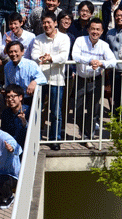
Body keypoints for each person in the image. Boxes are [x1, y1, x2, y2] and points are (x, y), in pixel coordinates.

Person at [71, 18, 117, 148]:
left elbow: (113, 61)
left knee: (93, 110)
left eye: (98, 29)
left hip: (95, 80)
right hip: (81, 79)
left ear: (102, 31)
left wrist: (101, 63)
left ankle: (87, 136)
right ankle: (83, 130)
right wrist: (90, 61)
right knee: (78, 109)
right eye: (93, 29)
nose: (95, 32)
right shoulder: (80, 40)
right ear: (88, 30)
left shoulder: (104, 45)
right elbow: (75, 56)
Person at [32, 12, 71, 150]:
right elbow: (34, 55)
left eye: (49, 22)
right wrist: (46, 58)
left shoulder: (64, 38)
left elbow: (63, 57)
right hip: (41, 80)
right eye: (44, 23)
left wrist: (50, 59)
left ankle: (55, 139)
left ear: (55, 23)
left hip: (57, 80)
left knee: (56, 112)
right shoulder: (38, 38)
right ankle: (35, 137)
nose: (46, 25)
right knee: (37, 109)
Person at [105, 7, 122, 113]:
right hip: (113, 70)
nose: (119, 18)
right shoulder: (110, 33)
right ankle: (117, 123)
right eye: (117, 15)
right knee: (115, 98)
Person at [4, 41, 47, 106]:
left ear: (22, 52)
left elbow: (43, 79)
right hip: (14, 100)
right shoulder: (7, 66)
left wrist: (34, 82)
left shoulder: (31, 64)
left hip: (30, 98)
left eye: (16, 51)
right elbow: (8, 85)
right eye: (11, 52)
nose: (13, 54)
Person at [0, 84, 30, 150]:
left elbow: (32, 132)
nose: (10, 99)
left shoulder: (28, 111)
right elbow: (4, 132)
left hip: (25, 146)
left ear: (20, 97)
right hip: (11, 146)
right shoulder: (6, 112)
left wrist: (24, 121)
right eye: (8, 97)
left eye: (13, 96)